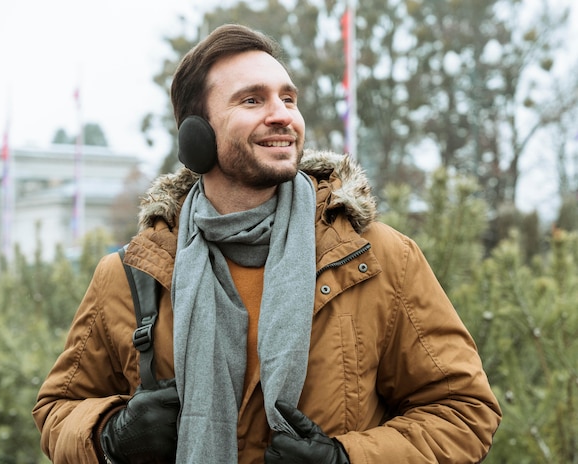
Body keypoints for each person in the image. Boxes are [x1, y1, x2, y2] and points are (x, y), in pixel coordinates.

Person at [33, 23, 501, 464]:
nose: (282, 115)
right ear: (197, 135)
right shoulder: (133, 273)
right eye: (253, 100)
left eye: (288, 99)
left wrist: (348, 458)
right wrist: (110, 434)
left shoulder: (377, 257)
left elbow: (464, 411)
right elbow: (57, 408)